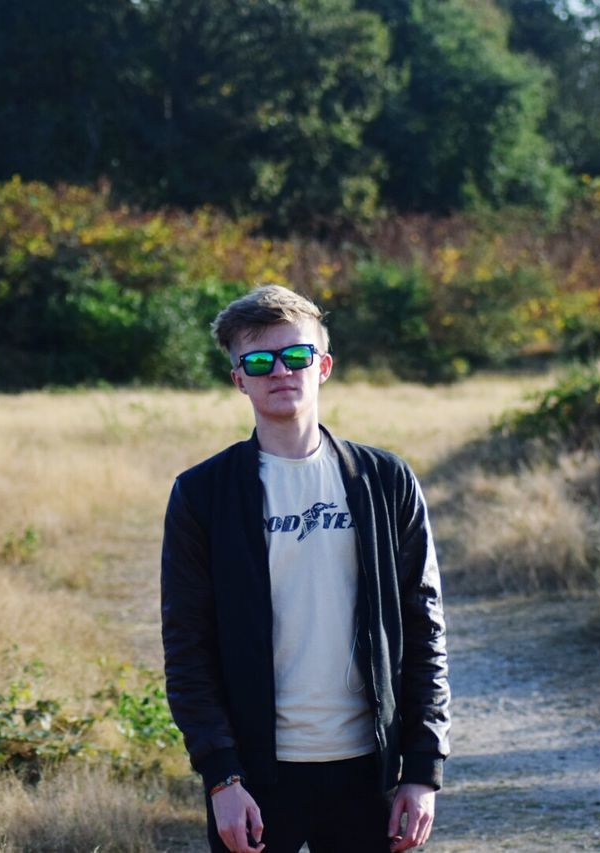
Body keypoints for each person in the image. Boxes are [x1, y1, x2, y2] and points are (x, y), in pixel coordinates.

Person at [161, 284, 451, 853]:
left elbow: (424, 628)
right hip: (255, 777)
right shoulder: (202, 495)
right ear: (238, 378)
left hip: (369, 769)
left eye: (296, 356)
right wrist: (222, 776)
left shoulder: (385, 482)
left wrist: (422, 769)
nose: (280, 372)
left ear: (323, 367)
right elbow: (187, 647)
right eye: (259, 361)